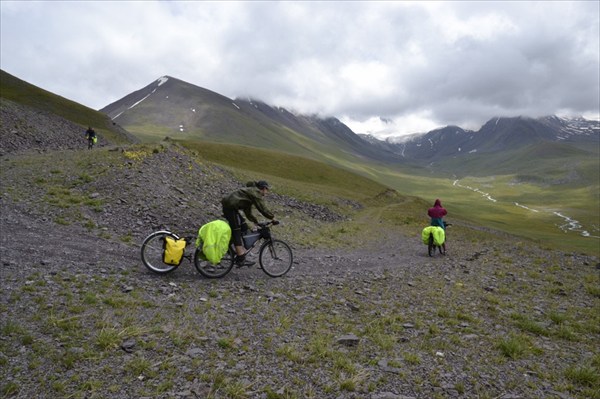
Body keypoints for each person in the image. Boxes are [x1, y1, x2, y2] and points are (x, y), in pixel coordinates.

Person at [221, 180, 277, 266]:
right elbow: (262, 208)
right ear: (264, 188)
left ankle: (229, 248)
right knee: (236, 231)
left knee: (244, 227)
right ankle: (241, 257)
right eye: (267, 190)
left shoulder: (250, 194)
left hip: (231, 207)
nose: (267, 192)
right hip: (230, 208)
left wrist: (255, 222)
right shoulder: (256, 192)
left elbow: (248, 212)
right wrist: (272, 218)